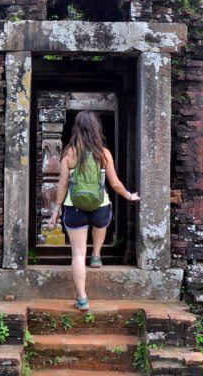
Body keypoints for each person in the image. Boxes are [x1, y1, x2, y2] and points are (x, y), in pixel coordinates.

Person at [48, 112, 139, 311]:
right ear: (96, 130)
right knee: (101, 221)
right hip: (100, 206)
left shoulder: (69, 153)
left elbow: (62, 184)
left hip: (74, 208)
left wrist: (56, 210)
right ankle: (97, 255)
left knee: (78, 254)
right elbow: (114, 183)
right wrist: (129, 195)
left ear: (76, 129)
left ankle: (82, 298)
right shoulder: (103, 153)